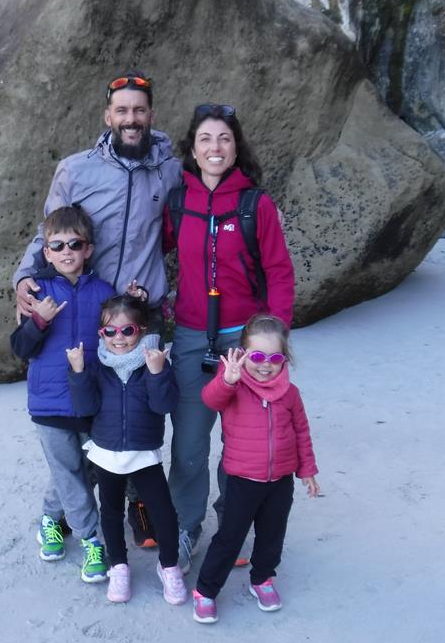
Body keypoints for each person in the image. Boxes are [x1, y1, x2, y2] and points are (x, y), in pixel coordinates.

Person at [14, 71, 182, 547]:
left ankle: (140, 507)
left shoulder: (168, 169)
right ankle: (65, 508)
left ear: (151, 115)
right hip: (94, 319)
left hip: (145, 316)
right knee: (98, 424)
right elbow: (47, 231)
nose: (132, 119)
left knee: (142, 417)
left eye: (140, 110)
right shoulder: (76, 169)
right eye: (122, 110)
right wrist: (23, 279)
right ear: (108, 116)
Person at [162, 103, 295, 570]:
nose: (215, 147)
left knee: (240, 445)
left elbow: (279, 271)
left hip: (244, 339)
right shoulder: (178, 201)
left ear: (236, 148)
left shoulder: (255, 204)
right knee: (190, 444)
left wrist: (274, 335)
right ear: (192, 151)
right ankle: (183, 529)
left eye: (223, 138)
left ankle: (231, 529)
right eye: (205, 139)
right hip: (192, 335)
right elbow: (146, 250)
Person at [190, 314, 319, 624]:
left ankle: (262, 578)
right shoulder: (234, 386)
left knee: (272, 534)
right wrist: (227, 379)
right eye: (257, 356)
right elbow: (211, 399)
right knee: (229, 537)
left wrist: (308, 471)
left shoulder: (290, 393)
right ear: (243, 355)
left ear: (284, 358)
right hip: (242, 480)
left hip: (281, 479)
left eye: (274, 357)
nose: (265, 364)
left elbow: (301, 431)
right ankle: (205, 591)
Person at [10, 206, 113, 583]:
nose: (67, 251)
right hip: (49, 402)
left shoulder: (104, 292)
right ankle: (91, 540)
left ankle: (50, 518)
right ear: (46, 252)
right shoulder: (35, 291)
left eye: (75, 244)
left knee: (84, 470)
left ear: (88, 249)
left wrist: (134, 300)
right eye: (58, 245)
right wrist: (39, 321)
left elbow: (118, 336)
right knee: (69, 472)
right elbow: (21, 348)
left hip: (90, 399)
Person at [66, 295, 187, 605]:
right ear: (100, 334)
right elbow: (85, 408)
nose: (118, 338)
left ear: (142, 330)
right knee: (111, 512)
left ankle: (169, 566)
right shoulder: (97, 368)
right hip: (106, 454)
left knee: (163, 512)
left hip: (144, 453)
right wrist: (78, 372)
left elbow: (164, 405)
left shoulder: (153, 362)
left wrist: (158, 371)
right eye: (110, 332)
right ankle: (119, 566)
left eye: (127, 331)